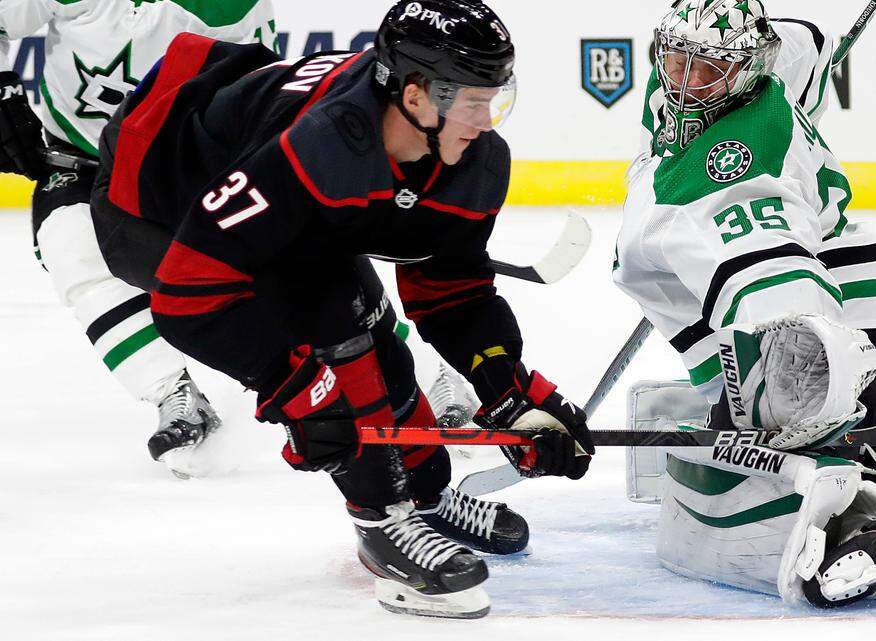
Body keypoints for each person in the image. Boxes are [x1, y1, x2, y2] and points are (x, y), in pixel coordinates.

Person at [89, 0, 594, 619]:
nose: (486, 121)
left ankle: (426, 496)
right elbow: (188, 294)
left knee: (369, 327)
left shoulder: (474, 159)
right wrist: (294, 387)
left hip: (273, 194)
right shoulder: (323, 148)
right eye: (471, 101)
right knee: (334, 336)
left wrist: (510, 391)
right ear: (415, 96)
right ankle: (384, 523)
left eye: (495, 98)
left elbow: (450, 291)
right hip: (154, 206)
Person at [610, 0, 876, 607]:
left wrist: (797, 419)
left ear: (742, 72)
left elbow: (790, 315)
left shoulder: (737, 167)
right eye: (676, 60)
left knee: (778, 438)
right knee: (749, 428)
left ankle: (858, 525)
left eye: (705, 69)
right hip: (855, 305)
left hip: (843, 334)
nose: (684, 82)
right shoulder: (765, 65)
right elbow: (806, 41)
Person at [0, 0, 278, 477]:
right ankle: (173, 392)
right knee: (70, 247)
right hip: (81, 161)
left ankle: (418, 380)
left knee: (283, 276)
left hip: (195, 164)